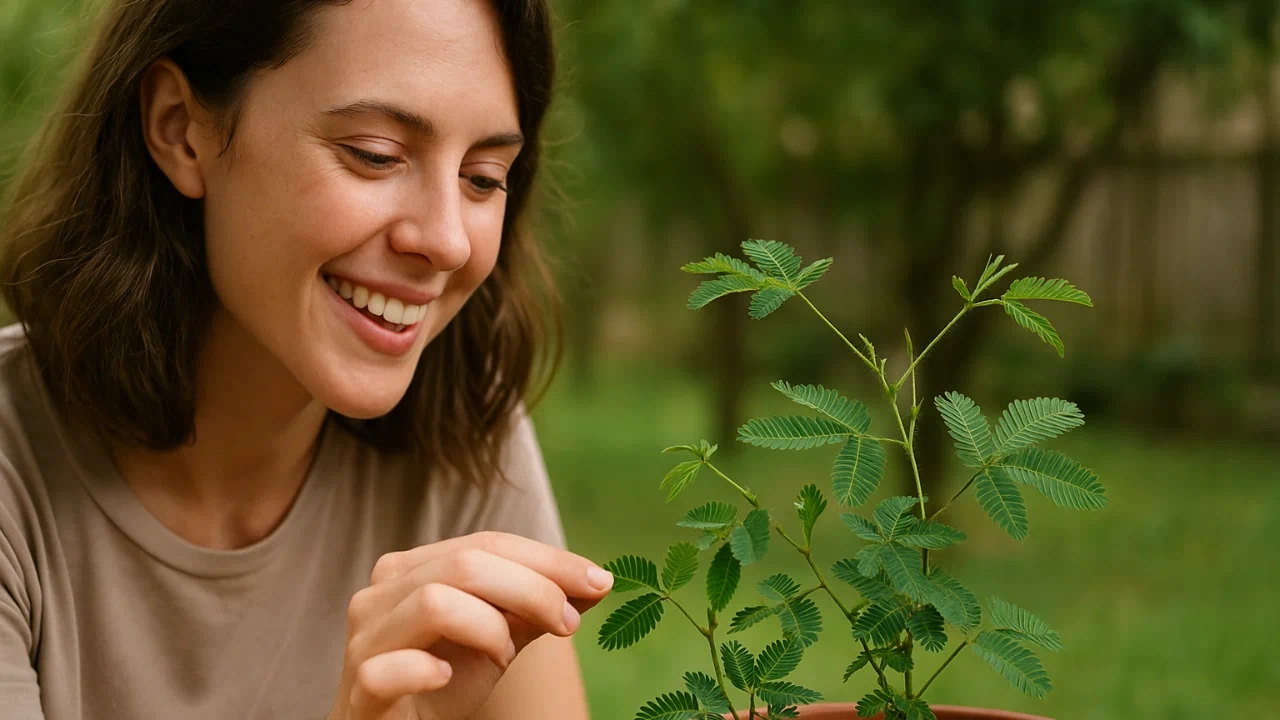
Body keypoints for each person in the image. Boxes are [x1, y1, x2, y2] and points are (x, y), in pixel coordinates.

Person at [0, 0, 614, 718]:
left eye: (482, 178)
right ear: (179, 128)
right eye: (376, 154)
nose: (448, 241)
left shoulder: (466, 438)